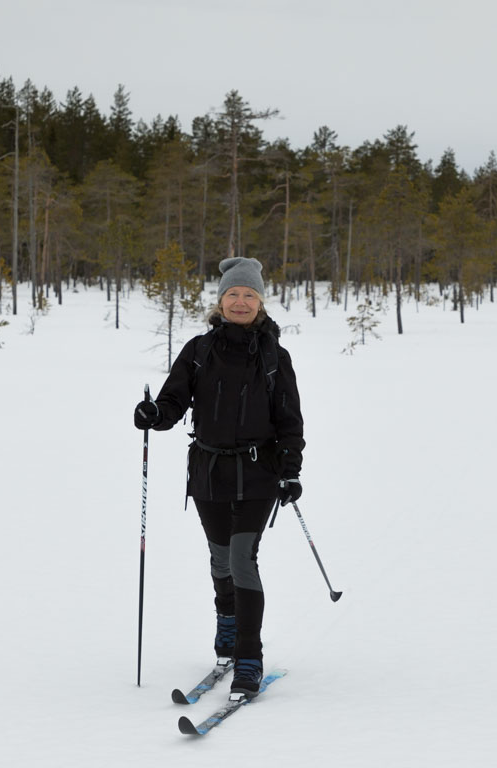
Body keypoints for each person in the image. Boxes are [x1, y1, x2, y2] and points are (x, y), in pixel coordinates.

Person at [133, 256, 305, 697]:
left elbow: (289, 421)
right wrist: (154, 415)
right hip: (208, 471)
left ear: (261, 303)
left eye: (249, 295)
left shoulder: (273, 356)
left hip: (258, 472)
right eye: (233, 294)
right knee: (219, 559)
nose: (241, 302)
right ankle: (226, 630)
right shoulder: (199, 350)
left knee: (242, 559)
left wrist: (290, 471)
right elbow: (173, 403)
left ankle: (249, 655)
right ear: (221, 301)